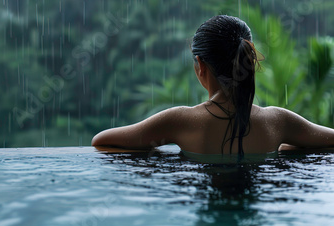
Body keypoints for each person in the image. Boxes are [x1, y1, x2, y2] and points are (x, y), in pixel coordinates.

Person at [91, 15, 334, 158]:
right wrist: (284, 147)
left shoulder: (180, 121)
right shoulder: (278, 122)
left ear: (200, 65)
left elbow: (102, 140)